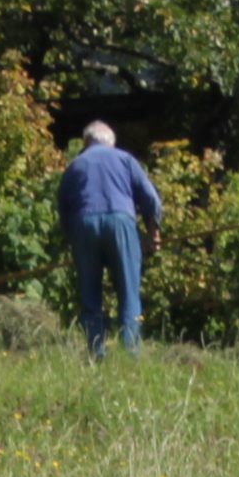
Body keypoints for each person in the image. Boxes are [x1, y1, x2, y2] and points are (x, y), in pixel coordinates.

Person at [58, 121, 162, 358]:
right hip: (120, 221)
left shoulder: (74, 166)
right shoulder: (125, 160)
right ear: (111, 142)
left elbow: (64, 209)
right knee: (128, 291)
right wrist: (153, 233)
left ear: (86, 143)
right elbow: (150, 198)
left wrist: (73, 242)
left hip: (83, 224)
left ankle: (97, 354)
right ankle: (131, 353)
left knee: (90, 295)